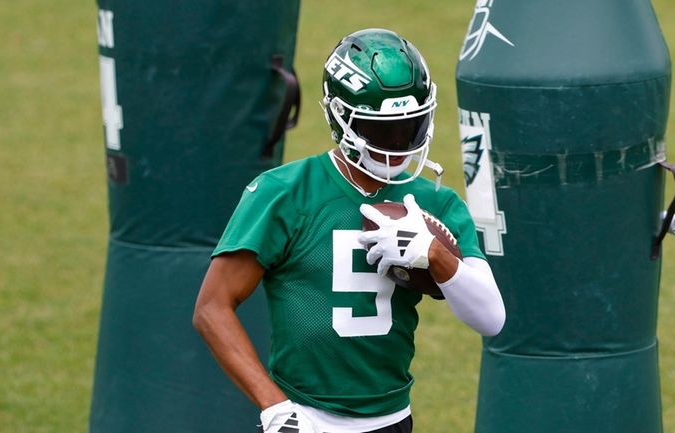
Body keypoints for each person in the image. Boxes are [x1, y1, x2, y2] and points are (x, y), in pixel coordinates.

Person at [193, 28, 506, 433]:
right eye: (383, 131)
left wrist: (435, 253)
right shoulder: (285, 193)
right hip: (303, 420)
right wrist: (274, 408)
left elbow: (491, 318)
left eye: (409, 127)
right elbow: (211, 308)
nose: (398, 145)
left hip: (392, 421)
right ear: (341, 119)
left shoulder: (435, 203)